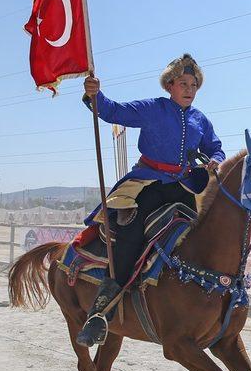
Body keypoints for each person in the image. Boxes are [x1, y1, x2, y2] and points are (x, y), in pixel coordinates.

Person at [79, 53, 225, 346]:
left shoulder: (201, 120)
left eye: (194, 84)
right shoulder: (153, 108)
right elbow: (113, 111)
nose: (189, 89)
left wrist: (214, 161)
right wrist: (94, 94)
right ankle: (103, 307)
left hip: (185, 187)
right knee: (131, 231)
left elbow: (216, 147)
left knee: (205, 236)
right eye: (183, 83)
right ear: (169, 85)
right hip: (148, 182)